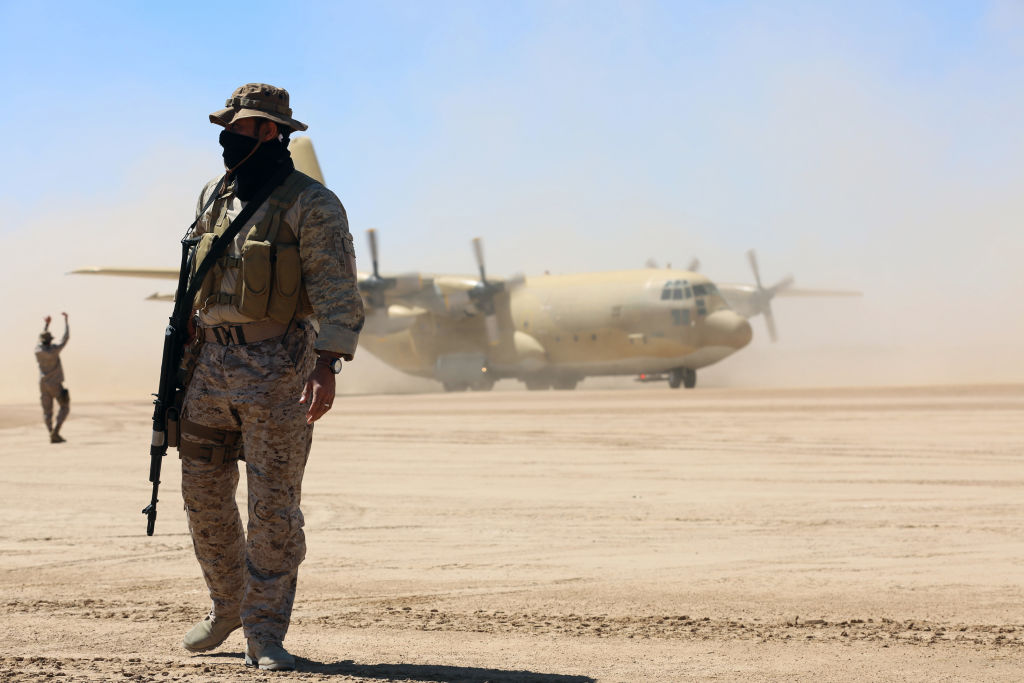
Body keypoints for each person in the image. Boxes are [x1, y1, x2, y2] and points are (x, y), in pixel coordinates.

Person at [177, 83, 364, 672]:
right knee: (202, 499)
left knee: (274, 506)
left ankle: (263, 629)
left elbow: (337, 289)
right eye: (227, 127)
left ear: (269, 132)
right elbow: (196, 278)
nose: (228, 138)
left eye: (241, 127)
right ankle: (226, 605)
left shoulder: (313, 204)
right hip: (210, 369)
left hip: (279, 370)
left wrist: (327, 363)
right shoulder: (216, 194)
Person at [35, 312, 70, 443]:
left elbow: (40, 340)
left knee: (47, 411)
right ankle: (55, 431)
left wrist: (47, 325)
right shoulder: (54, 350)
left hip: (42, 384)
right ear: (50, 341)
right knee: (65, 406)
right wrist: (66, 322)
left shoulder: (37, 351)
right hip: (54, 384)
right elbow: (65, 338)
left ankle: (51, 433)